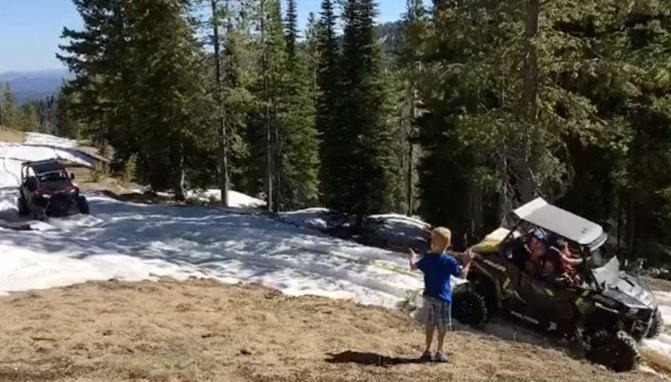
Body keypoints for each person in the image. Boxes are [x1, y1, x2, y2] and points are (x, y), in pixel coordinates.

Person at [408, 227, 473, 363]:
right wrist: (468, 263)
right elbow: (462, 275)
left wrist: (412, 257)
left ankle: (427, 350)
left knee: (430, 325)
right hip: (444, 299)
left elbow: (413, 267)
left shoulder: (427, 259)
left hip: (428, 298)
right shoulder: (449, 261)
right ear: (448, 244)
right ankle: (439, 351)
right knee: (442, 326)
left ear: (432, 243)